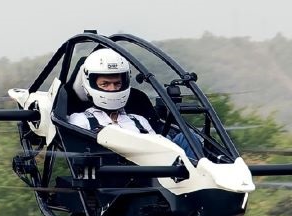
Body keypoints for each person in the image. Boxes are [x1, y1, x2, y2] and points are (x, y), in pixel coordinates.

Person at [67, 48, 199, 160]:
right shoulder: (81, 120)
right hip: (116, 176)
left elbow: (161, 150)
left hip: (156, 172)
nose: (112, 89)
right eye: (105, 84)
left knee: (188, 137)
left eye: (117, 83)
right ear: (91, 83)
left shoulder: (139, 120)